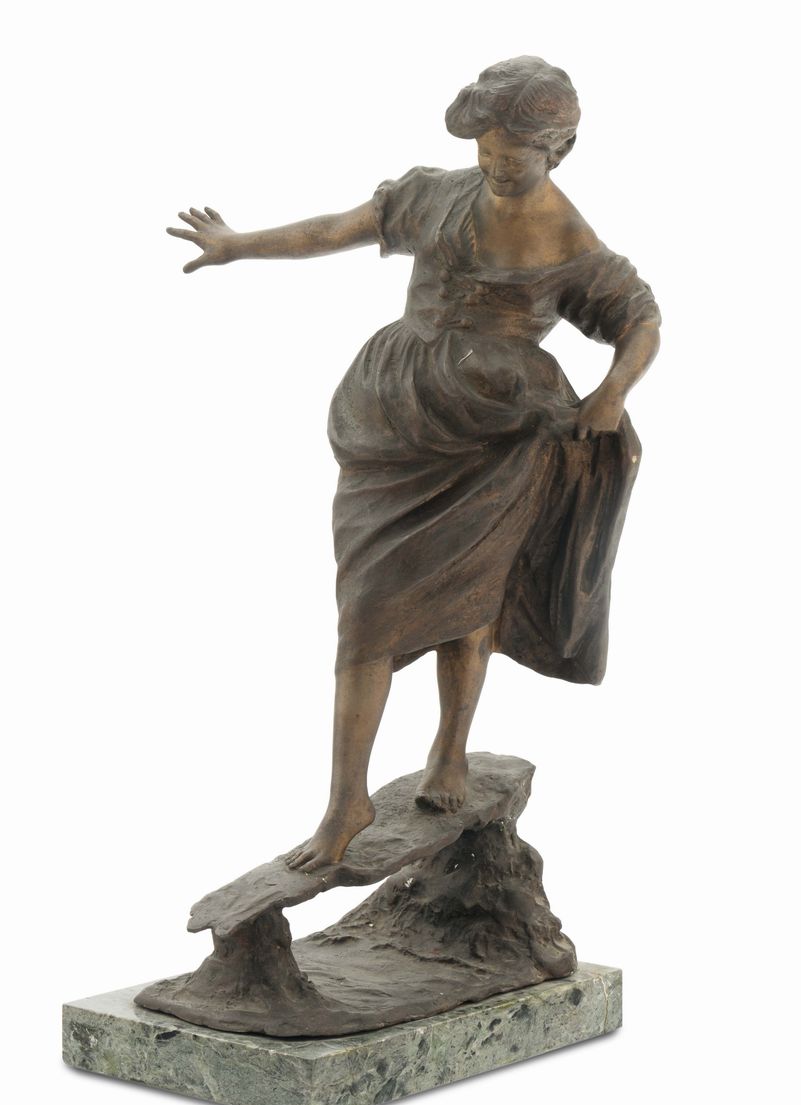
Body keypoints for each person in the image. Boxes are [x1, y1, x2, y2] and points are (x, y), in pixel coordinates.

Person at [167, 56, 661, 871]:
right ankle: (346, 802)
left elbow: (639, 318)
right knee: (365, 606)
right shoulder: (436, 194)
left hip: (497, 436)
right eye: (485, 149)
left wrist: (611, 390)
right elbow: (338, 229)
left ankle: (449, 752)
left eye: (512, 154)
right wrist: (237, 246)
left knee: (469, 600)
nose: (494, 164)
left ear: (558, 149)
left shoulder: (571, 242)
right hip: (395, 418)